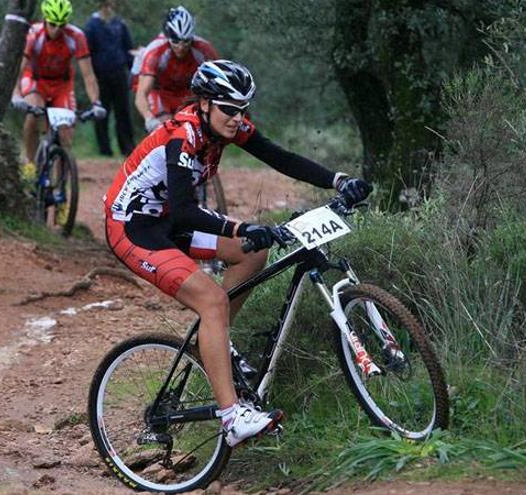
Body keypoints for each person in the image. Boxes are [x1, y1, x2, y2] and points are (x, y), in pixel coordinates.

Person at [103, 60, 372, 447]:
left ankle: (215, 343)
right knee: (212, 301)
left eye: (244, 109)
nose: (238, 118)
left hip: (167, 222)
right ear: (206, 104)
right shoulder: (183, 135)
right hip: (134, 227)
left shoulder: (227, 125)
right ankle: (232, 419)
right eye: (229, 109)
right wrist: (242, 227)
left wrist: (338, 179)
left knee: (251, 255)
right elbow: (185, 211)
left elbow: (280, 157)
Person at [11, 0, 107, 180]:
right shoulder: (34, 34)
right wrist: (16, 94)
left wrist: (96, 102)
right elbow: (19, 67)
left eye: (61, 25)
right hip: (35, 80)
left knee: (65, 134)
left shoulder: (76, 36)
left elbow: (88, 75)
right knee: (33, 115)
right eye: (53, 24)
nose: (57, 29)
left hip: (62, 85)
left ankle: (60, 188)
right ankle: (30, 163)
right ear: (45, 20)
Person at [132, 6, 218, 133]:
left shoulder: (204, 50)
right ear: (168, 37)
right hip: (160, 92)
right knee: (165, 128)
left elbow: (216, 86)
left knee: (189, 130)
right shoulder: (155, 51)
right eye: (176, 41)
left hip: (187, 92)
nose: (181, 47)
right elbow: (141, 93)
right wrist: (149, 118)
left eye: (186, 41)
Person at [84, 0, 135, 156]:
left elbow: (128, 49)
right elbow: (87, 53)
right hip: (100, 75)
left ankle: (127, 148)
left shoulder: (120, 24)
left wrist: (133, 70)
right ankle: (104, 150)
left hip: (119, 73)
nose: (108, 7)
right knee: (102, 113)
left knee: (123, 112)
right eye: (105, 4)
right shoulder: (91, 26)